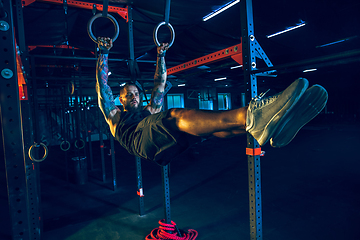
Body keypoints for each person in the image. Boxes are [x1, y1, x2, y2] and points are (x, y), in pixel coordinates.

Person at [96, 37, 328, 166]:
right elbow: (103, 89)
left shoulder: (149, 109)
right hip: (140, 141)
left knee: (206, 130)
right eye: (129, 94)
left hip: (161, 146)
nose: (134, 96)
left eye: (136, 92)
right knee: (174, 115)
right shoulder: (116, 115)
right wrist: (103, 54)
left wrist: (161, 55)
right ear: (121, 98)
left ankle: (264, 127)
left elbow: (159, 83)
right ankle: (254, 114)